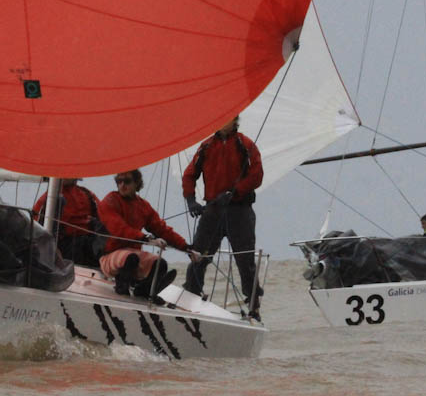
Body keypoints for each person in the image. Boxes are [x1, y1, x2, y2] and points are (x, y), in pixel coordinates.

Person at [182, 115, 264, 310]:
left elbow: (257, 175)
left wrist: (235, 191)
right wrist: (191, 200)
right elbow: (189, 175)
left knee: (244, 260)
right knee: (198, 255)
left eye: (227, 118)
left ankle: (253, 305)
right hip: (213, 211)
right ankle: (190, 296)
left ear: (235, 121)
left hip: (240, 211)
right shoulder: (206, 146)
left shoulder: (245, 144)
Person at [98, 169, 201, 301]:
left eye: (127, 181)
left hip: (131, 256)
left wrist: (186, 248)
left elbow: (162, 229)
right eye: (119, 181)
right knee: (131, 258)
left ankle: (143, 290)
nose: (122, 185)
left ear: (136, 183)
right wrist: (146, 238)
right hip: (109, 255)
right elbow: (118, 228)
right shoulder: (110, 201)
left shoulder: (143, 206)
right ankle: (122, 288)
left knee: (160, 264)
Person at [32, 178, 104, 267]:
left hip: (89, 242)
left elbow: (104, 218)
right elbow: (37, 231)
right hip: (64, 245)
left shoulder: (87, 194)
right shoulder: (50, 198)